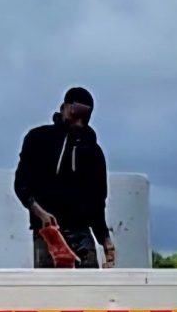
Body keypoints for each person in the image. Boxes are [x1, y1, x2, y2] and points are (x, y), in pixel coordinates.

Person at [14, 86, 115, 269]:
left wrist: (105, 239)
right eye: (76, 110)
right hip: (48, 231)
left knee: (89, 290)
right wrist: (39, 212)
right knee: (51, 291)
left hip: (81, 230)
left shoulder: (93, 152)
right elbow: (21, 184)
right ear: (64, 108)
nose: (79, 118)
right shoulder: (37, 139)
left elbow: (97, 201)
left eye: (86, 113)